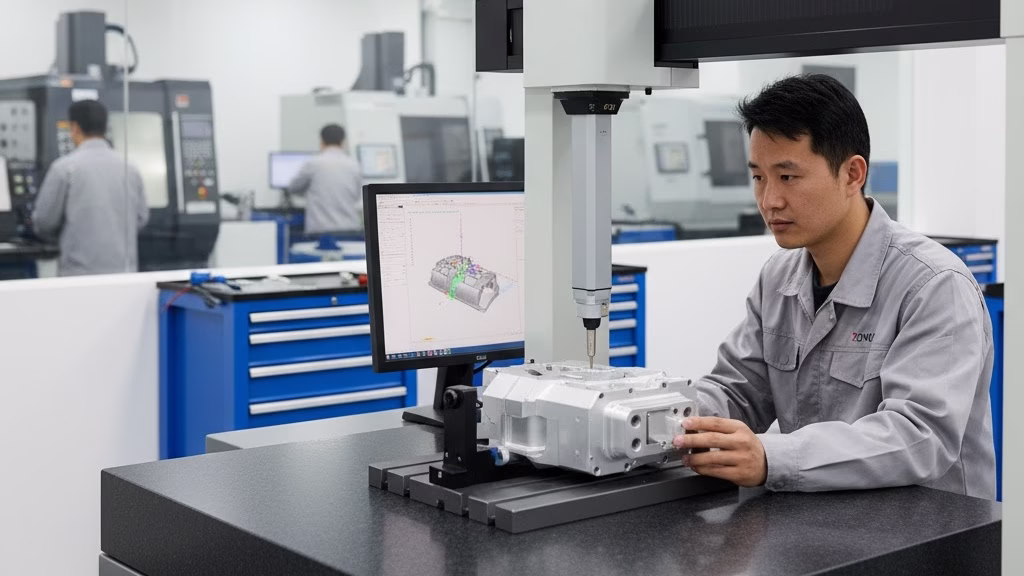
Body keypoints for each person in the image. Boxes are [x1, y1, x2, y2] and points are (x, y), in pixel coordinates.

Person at [673, 74, 996, 499]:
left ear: (852, 174)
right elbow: (736, 391)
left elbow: (920, 437)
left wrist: (772, 458)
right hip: (820, 525)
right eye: (758, 177)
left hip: (929, 535)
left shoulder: (934, 285)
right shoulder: (779, 277)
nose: (769, 200)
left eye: (787, 177)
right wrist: (658, 417)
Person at [32, 99, 148, 276]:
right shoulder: (130, 168)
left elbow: (44, 222)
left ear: (75, 128)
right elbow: (141, 218)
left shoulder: (64, 169)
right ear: (105, 127)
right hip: (124, 276)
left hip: (79, 277)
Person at [287, 124, 363, 234]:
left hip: (320, 231)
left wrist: (307, 192)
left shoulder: (313, 164)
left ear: (321, 141)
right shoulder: (354, 165)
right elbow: (359, 196)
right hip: (350, 229)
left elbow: (293, 188)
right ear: (343, 142)